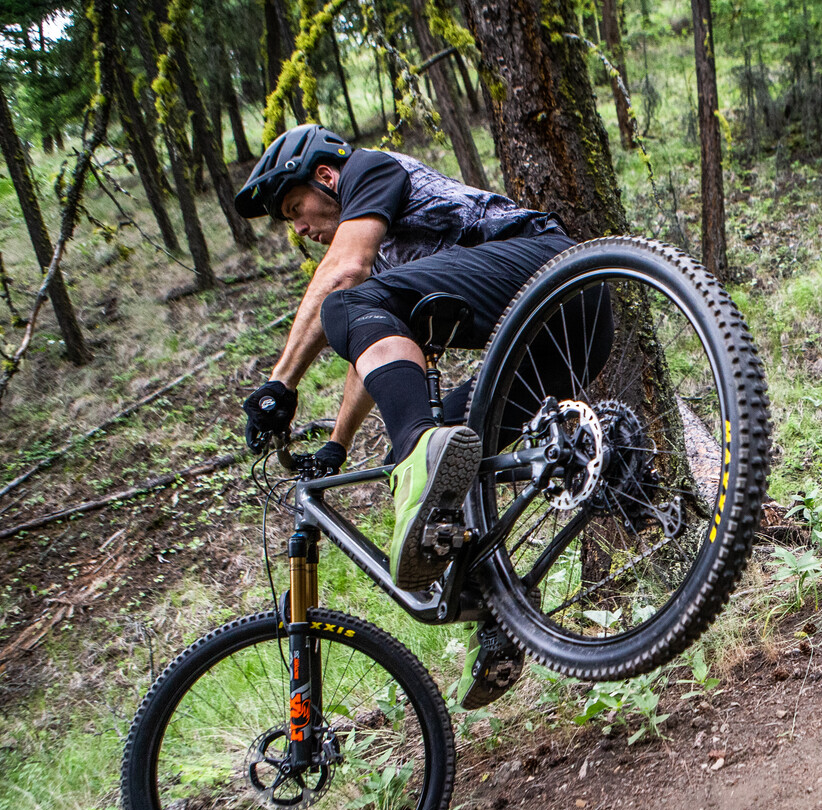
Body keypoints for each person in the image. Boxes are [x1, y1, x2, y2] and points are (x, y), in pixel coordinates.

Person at [233, 123, 609, 708]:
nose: (300, 229)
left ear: (327, 177)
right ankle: (502, 614)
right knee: (428, 464)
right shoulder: (389, 276)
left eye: (296, 207)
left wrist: (280, 383)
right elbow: (375, 357)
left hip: (545, 266)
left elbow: (342, 280)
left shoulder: (369, 170)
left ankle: (418, 447)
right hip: (573, 333)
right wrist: (337, 444)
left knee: (364, 336)